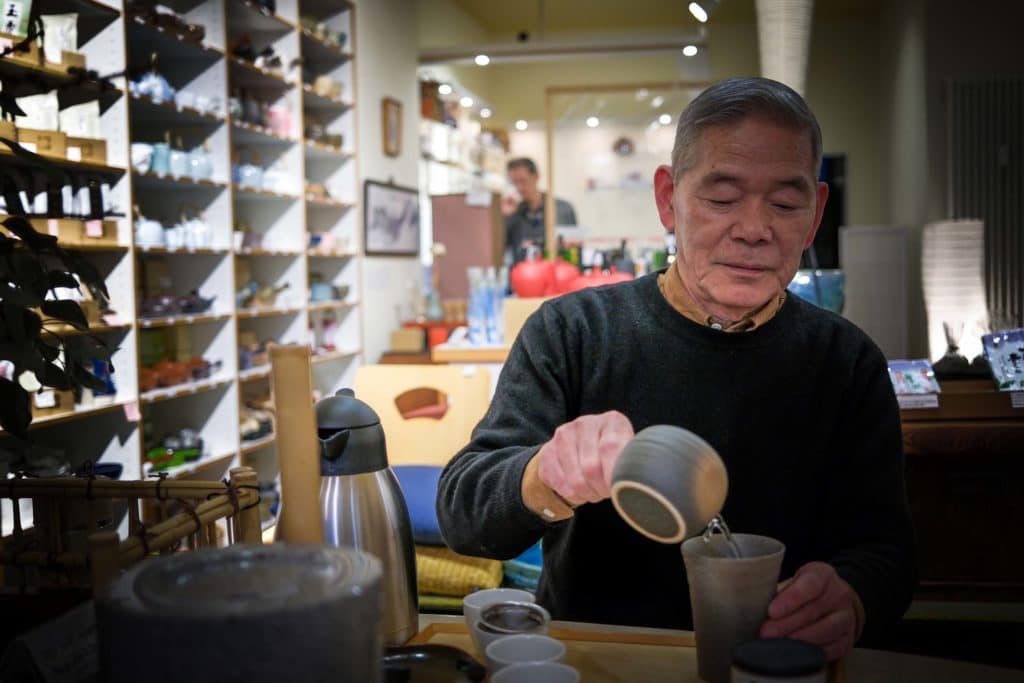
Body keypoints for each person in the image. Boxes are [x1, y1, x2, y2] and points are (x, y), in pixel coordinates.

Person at [437, 77, 916, 662]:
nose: (754, 228)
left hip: (776, 666)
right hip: (597, 657)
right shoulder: (574, 331)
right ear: (668, 199)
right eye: (721, 198)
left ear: (813, 216)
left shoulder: (847, 361)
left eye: (786, 204)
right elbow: (465, 513)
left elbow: (888, 551)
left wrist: (854, 597)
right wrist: (544, 475)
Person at [502, 157, 577, 263]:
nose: (519, 187)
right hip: (522, 275)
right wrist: (506, 218)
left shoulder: (563, 209)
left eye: (523, 181)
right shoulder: (514, 214)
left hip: (556, 273)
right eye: (515, 182)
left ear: (536, 176)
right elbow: (501, 249)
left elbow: (573, 249)